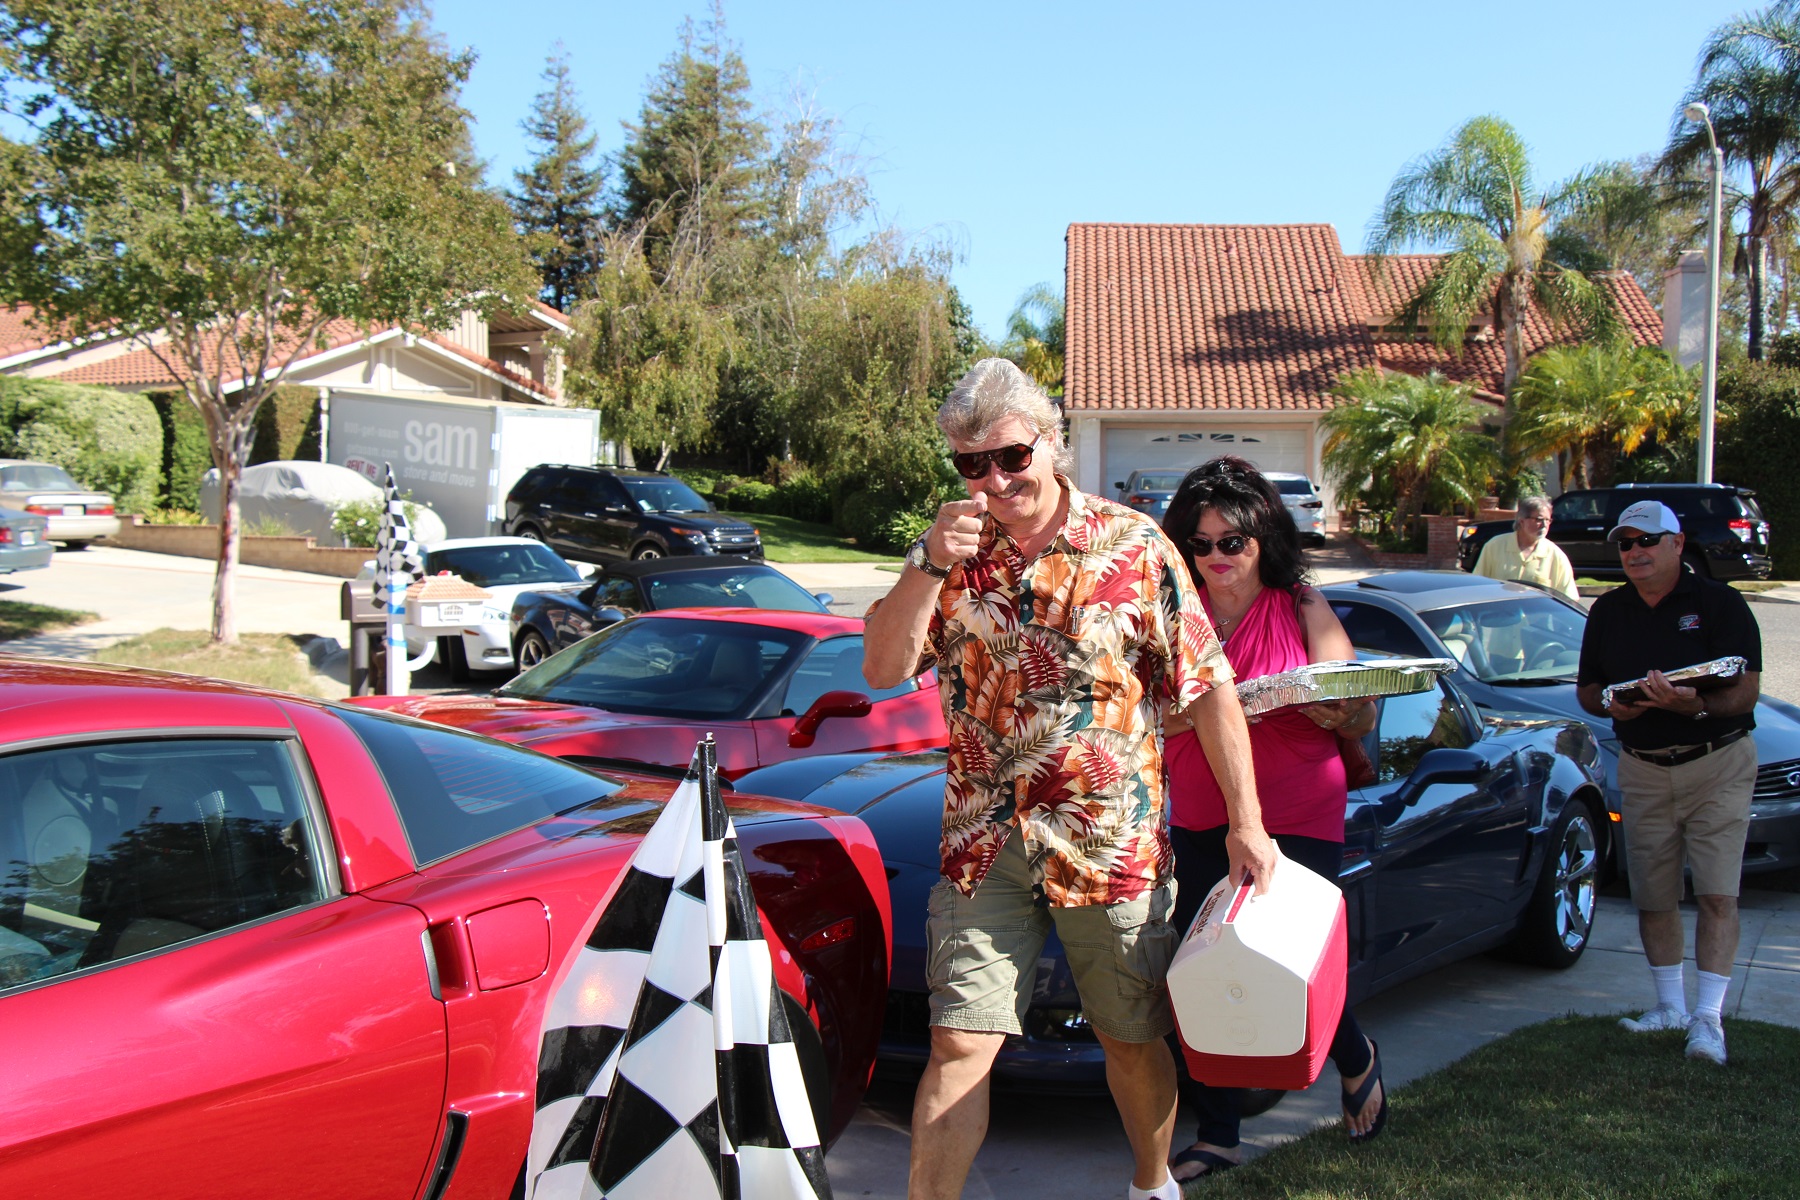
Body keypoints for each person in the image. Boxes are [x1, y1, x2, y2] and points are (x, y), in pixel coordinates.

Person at [863, 359, 1276, 1200]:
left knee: (1130, 1038)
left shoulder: (1132, 545)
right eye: (970, 464)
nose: (994, 480)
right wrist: (922, 562)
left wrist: (1247, 821)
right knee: (958, 1045)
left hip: (1108, 838)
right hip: (984, 843)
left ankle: (1152, 1183)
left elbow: (1208, 685)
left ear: (1050, 445)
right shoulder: (948, 559)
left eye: (1011, 457)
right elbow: (880, 667)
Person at [1157, 456, 1387, 1180]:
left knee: (1289, 961)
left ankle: (1355, 1057)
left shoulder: (1301, 603)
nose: (1217, 557)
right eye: (1201, 543)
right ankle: (1218, 1132)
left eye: (1234, 541)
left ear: (1264, 539)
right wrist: (1192, 712)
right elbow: (1143, 719)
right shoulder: (1171, 615)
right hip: (1202, 809)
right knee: (1204, 966)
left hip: (1299, 805)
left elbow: (1360, 705)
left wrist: (1337, 706)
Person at [1576, 500, 1761, 1066]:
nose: (1634, 552)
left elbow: (1745, 691)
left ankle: (1708, 1019)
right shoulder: (1608, 611)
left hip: (1718, 761)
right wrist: (1613, 705)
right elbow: (1589, 689)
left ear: (1677, 545)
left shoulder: (1720, 604)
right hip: (1642, 765)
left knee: (1716, 894)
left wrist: (1694, 706)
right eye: (1625, 543)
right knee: (1652, 894)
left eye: (1646, 541)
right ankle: (1669, 1008)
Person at [1471, 495, 1579, 601]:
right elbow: (1477, 586)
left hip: (1538, 617)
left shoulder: (1556, 555)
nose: (1544, 525)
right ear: (1521, 521)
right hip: (1499, 616)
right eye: (1539, 519)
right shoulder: (1494, 546)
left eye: (1548, 520)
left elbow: (1569, 598)